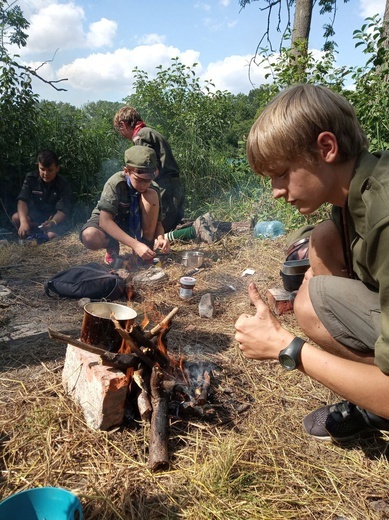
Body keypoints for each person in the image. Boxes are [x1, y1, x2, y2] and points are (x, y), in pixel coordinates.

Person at [235, 84, 389, 444]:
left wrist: (286, 347)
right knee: (316, 267)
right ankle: (374, 398)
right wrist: (318, 236)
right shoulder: (354, 189)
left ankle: (378, 400)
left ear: (326, 148)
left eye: (282, 173)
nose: (275, 190)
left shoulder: (385, 215)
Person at [80, 146, 170, 266]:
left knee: (151, 195)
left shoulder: (153, 188)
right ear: (127, 171)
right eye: (139, 180)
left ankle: (146, 249)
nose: (143, 185)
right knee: (90, 237)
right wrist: (135, 244)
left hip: (134, 222)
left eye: (147, 180)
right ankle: (111, 244)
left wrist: (160, 238)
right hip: (113, 221)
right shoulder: (115, 183)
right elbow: (105, 221)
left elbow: (158, 223)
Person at [113, 106, 185, 232]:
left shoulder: (141, 136)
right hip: (173, 185)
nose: (122, 135)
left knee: (156, 229)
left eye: (120, 131)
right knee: (167, 226)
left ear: (123, 124)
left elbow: (146, 168)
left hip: (164, 186)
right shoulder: (148, 132)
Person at [12, 149, 73, 242]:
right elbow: (22, 201)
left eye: (50, 170)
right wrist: (24, 223)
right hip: (35, 218)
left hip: (54, 220)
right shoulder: (31, 179)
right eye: (42, 169)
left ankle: (45, 237)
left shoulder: (63, 184)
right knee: (16, 217)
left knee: (52, 235)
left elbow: (63, 211)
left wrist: (52, 222)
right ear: (38, 166)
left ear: (57, 168)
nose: (45, 174)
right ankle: (31, 236)